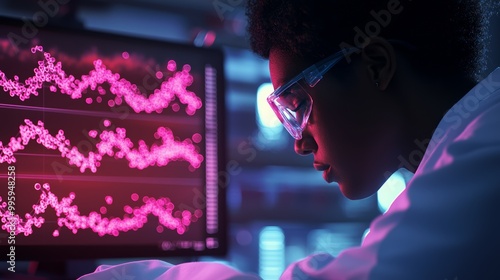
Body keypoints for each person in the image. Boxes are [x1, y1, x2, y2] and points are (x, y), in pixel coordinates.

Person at [80, 0, 500, 279]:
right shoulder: (463, 151)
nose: (299, 143)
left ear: (375, 66)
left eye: (298, 104)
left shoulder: (487, 154)